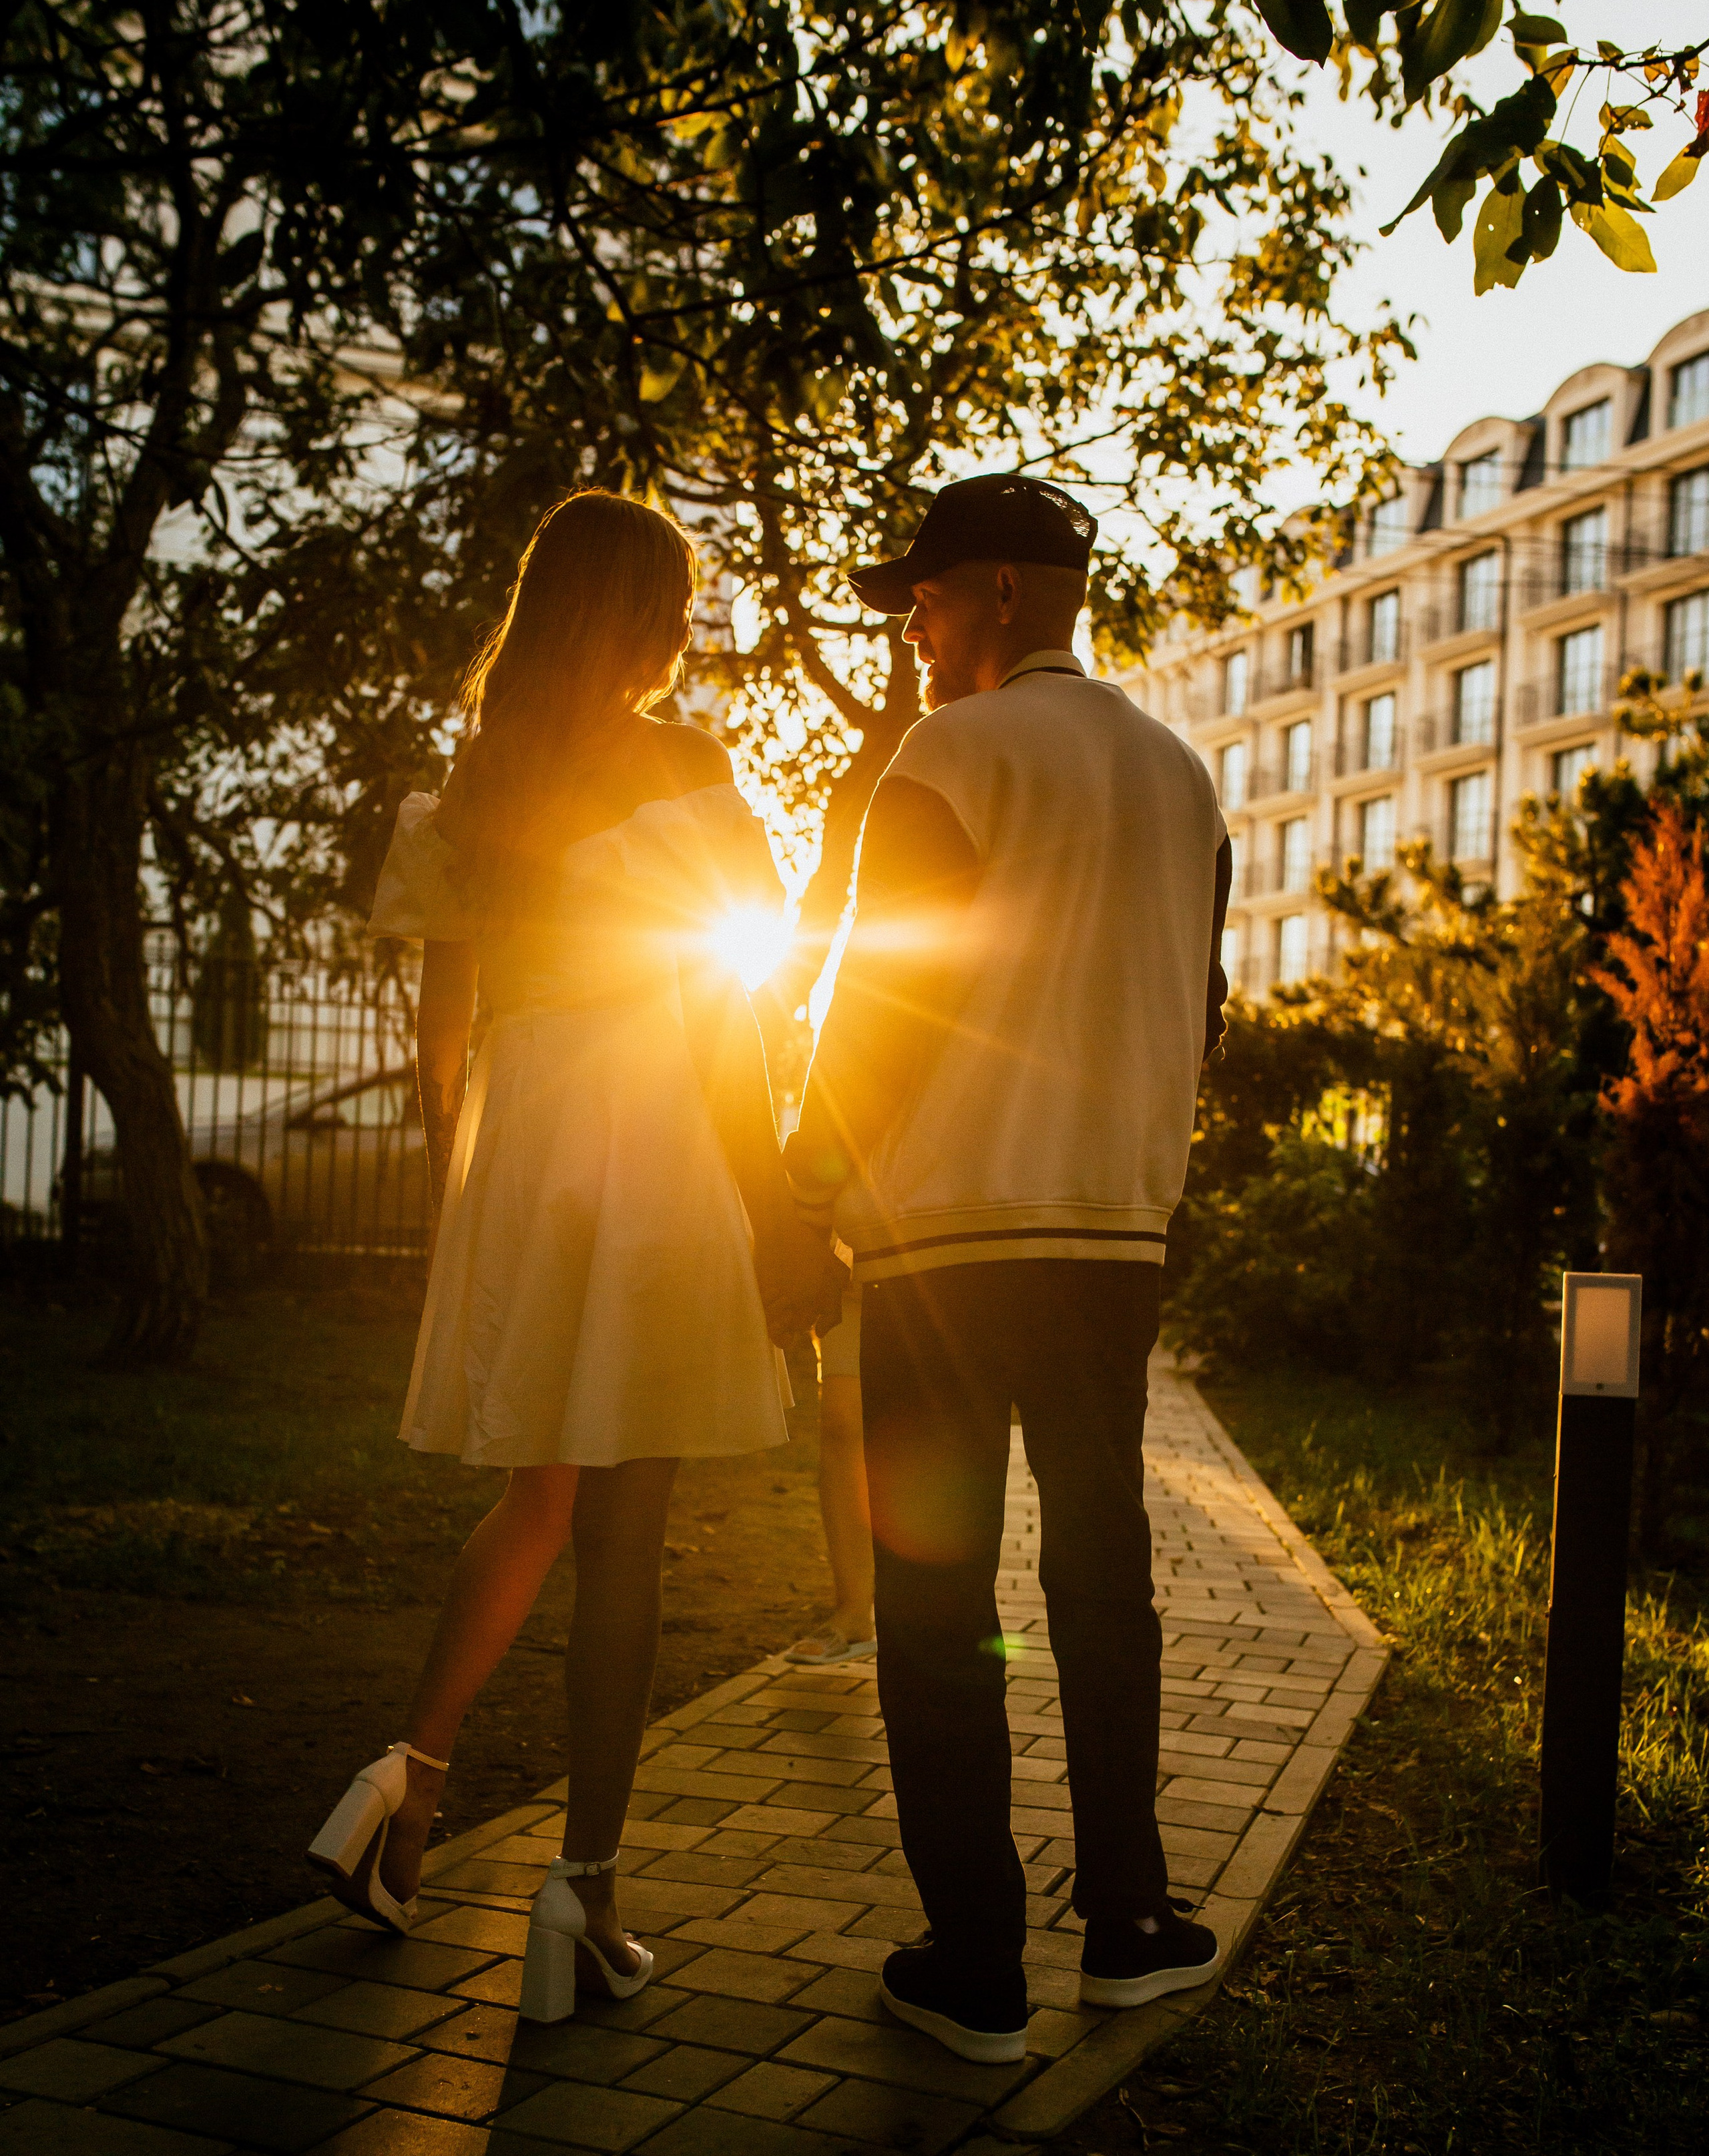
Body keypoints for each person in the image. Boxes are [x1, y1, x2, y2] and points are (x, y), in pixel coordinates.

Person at [307, 491, 824, 2024]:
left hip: (522, 1155)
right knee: (627, 1528)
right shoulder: (684, 770)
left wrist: (514, 1168)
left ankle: (400, 1786)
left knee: (536, 1488)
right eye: (672, 604)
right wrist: (771, 1206)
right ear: (634, 615)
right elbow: (730, 1019)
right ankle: (581, 1894)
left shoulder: (474, 791)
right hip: (649, 1132)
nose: (683, 631)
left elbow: (439, 1064)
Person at [784, 474, 1234, 2065]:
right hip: (1109, 1242)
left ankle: (974, 1958)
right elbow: (1206, 1011)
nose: (905, 630)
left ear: (992, 591)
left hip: (943, 1242)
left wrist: (804, 1185)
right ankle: (1127, 1919)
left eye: (917, 598)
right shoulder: (1182, 775)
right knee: (1099, 1575)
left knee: (936, 1591)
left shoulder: (949, 751)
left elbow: (884, 999)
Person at [785, 1279, 877, 1666]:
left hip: (953, 1257)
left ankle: (939, 1601)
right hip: (857, 1255)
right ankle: (855, 1611)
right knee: (840, 1423)